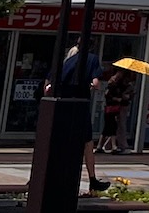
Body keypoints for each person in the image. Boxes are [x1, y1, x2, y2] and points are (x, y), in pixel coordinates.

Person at [51, 44, 109, 195]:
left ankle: (49, 176)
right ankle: (92, 180)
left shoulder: (66, 62)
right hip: (81, 104)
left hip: (62, 105)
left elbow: (48, 86)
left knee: (61, 141)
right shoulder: (92, 59)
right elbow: (96, 83)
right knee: (87, 143)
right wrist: (89, 86)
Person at [99, 66, 134, 154]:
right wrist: (119, 98)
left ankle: (107, 145)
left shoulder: (117, 83)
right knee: (114, 126)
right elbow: (110, 95)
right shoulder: (115, 84)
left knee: (111, 126)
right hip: (113, 106)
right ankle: (116, 146)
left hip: (113, 106)